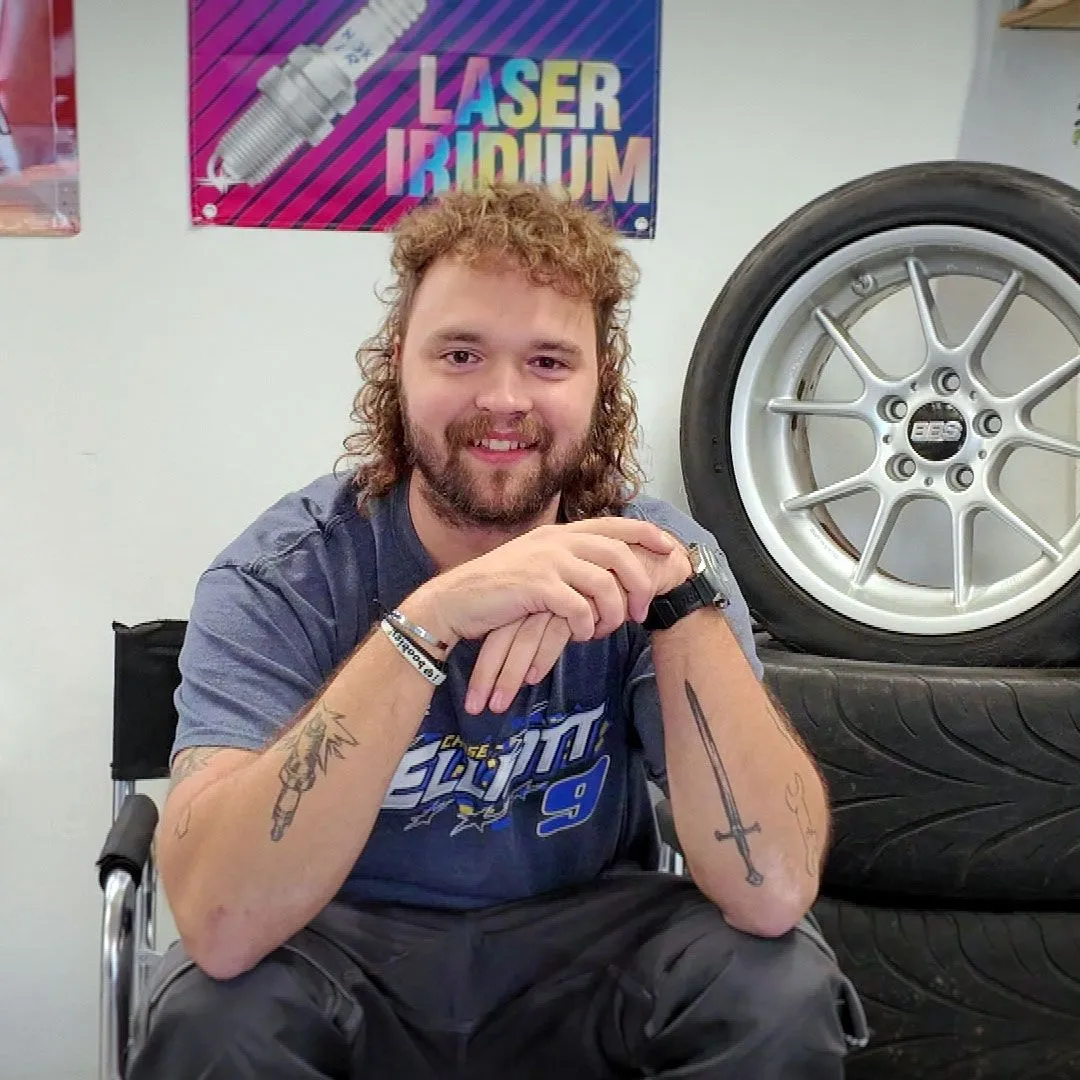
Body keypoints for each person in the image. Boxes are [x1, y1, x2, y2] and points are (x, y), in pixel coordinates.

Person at [128, 182, 866, 1079]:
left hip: (581, 951)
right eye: (462, 354)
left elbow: (774, 887)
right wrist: (427, 623)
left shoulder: (661, 561)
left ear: (600, 383)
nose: (505, 397)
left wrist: (678, 601)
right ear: (398, 366)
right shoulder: (285, 575)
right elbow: (217, 920)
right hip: (343, 949)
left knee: (775, 987)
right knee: (214, 1016)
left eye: (549, 362)